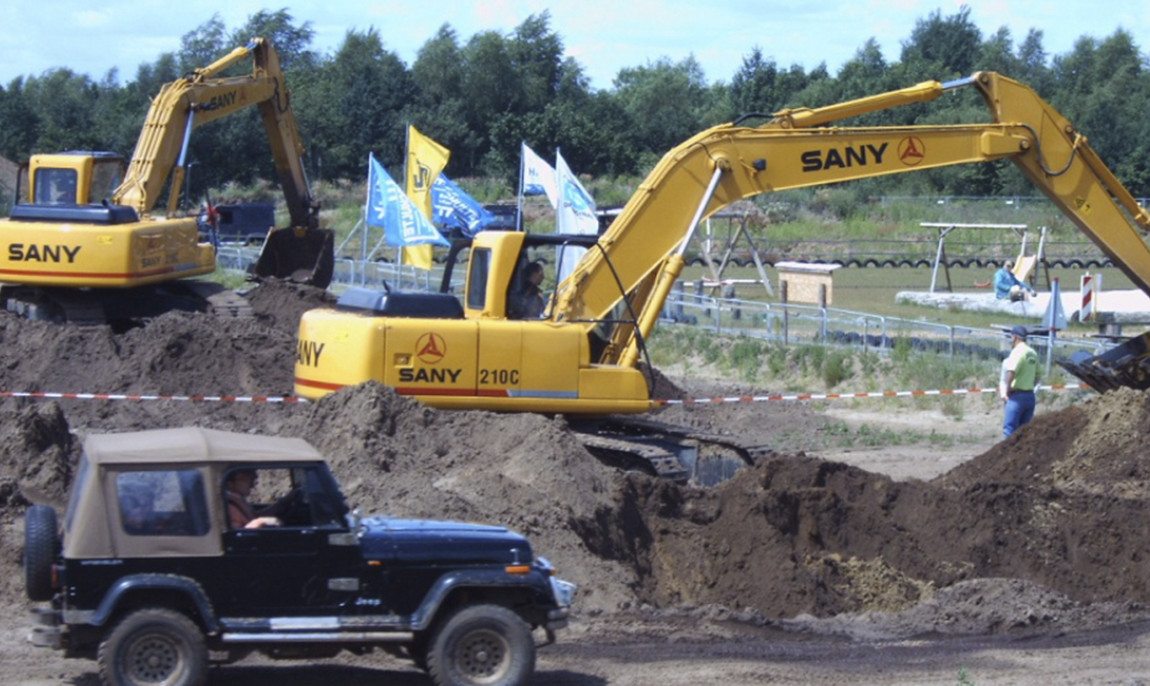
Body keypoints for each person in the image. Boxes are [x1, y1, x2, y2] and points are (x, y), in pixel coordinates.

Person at [1000, 324, 1039, 439]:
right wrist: (1029, 385)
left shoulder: (1017, 352)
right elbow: (1038, 375)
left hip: (1017, 397)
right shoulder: (1033, 353)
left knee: (1009, 431)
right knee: (1024, 433)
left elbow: (1011, 371)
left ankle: (1007, 456)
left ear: (1015, 337)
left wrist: (1006, 391)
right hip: (1030, 396)